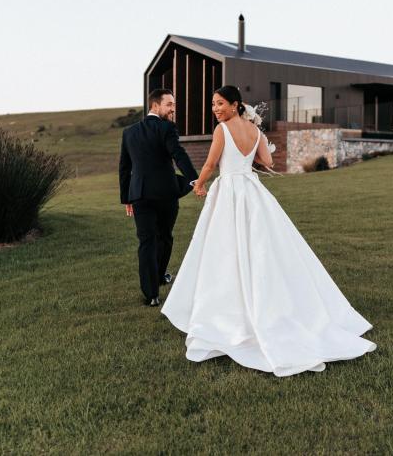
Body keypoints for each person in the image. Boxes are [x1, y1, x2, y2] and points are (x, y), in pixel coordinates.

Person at [161, 85, 376, 376]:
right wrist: (252, 151)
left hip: (231, 193)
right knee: (260, 246)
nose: (216, 109)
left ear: (236, 105)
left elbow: (211, 163)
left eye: (220, 103)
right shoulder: (256, 131)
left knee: (226, 250)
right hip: (253, 191)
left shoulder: (222, 130)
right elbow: (268, 161)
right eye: (213, 104)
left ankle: (231, 314)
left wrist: (199, 184)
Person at [118, 88, 198, 306]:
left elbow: (124, 169)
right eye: (169, 104)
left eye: (174, 104)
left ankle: (151, 294)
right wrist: (193, 179)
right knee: (164, 237)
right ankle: (160, 276)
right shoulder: (167, 127)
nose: (173, 109)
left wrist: (127, 198)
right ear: (155, 106)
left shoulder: (129, 132)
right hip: (165, 193)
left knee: (147, 242)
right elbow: (178, 154)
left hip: (140, 195)